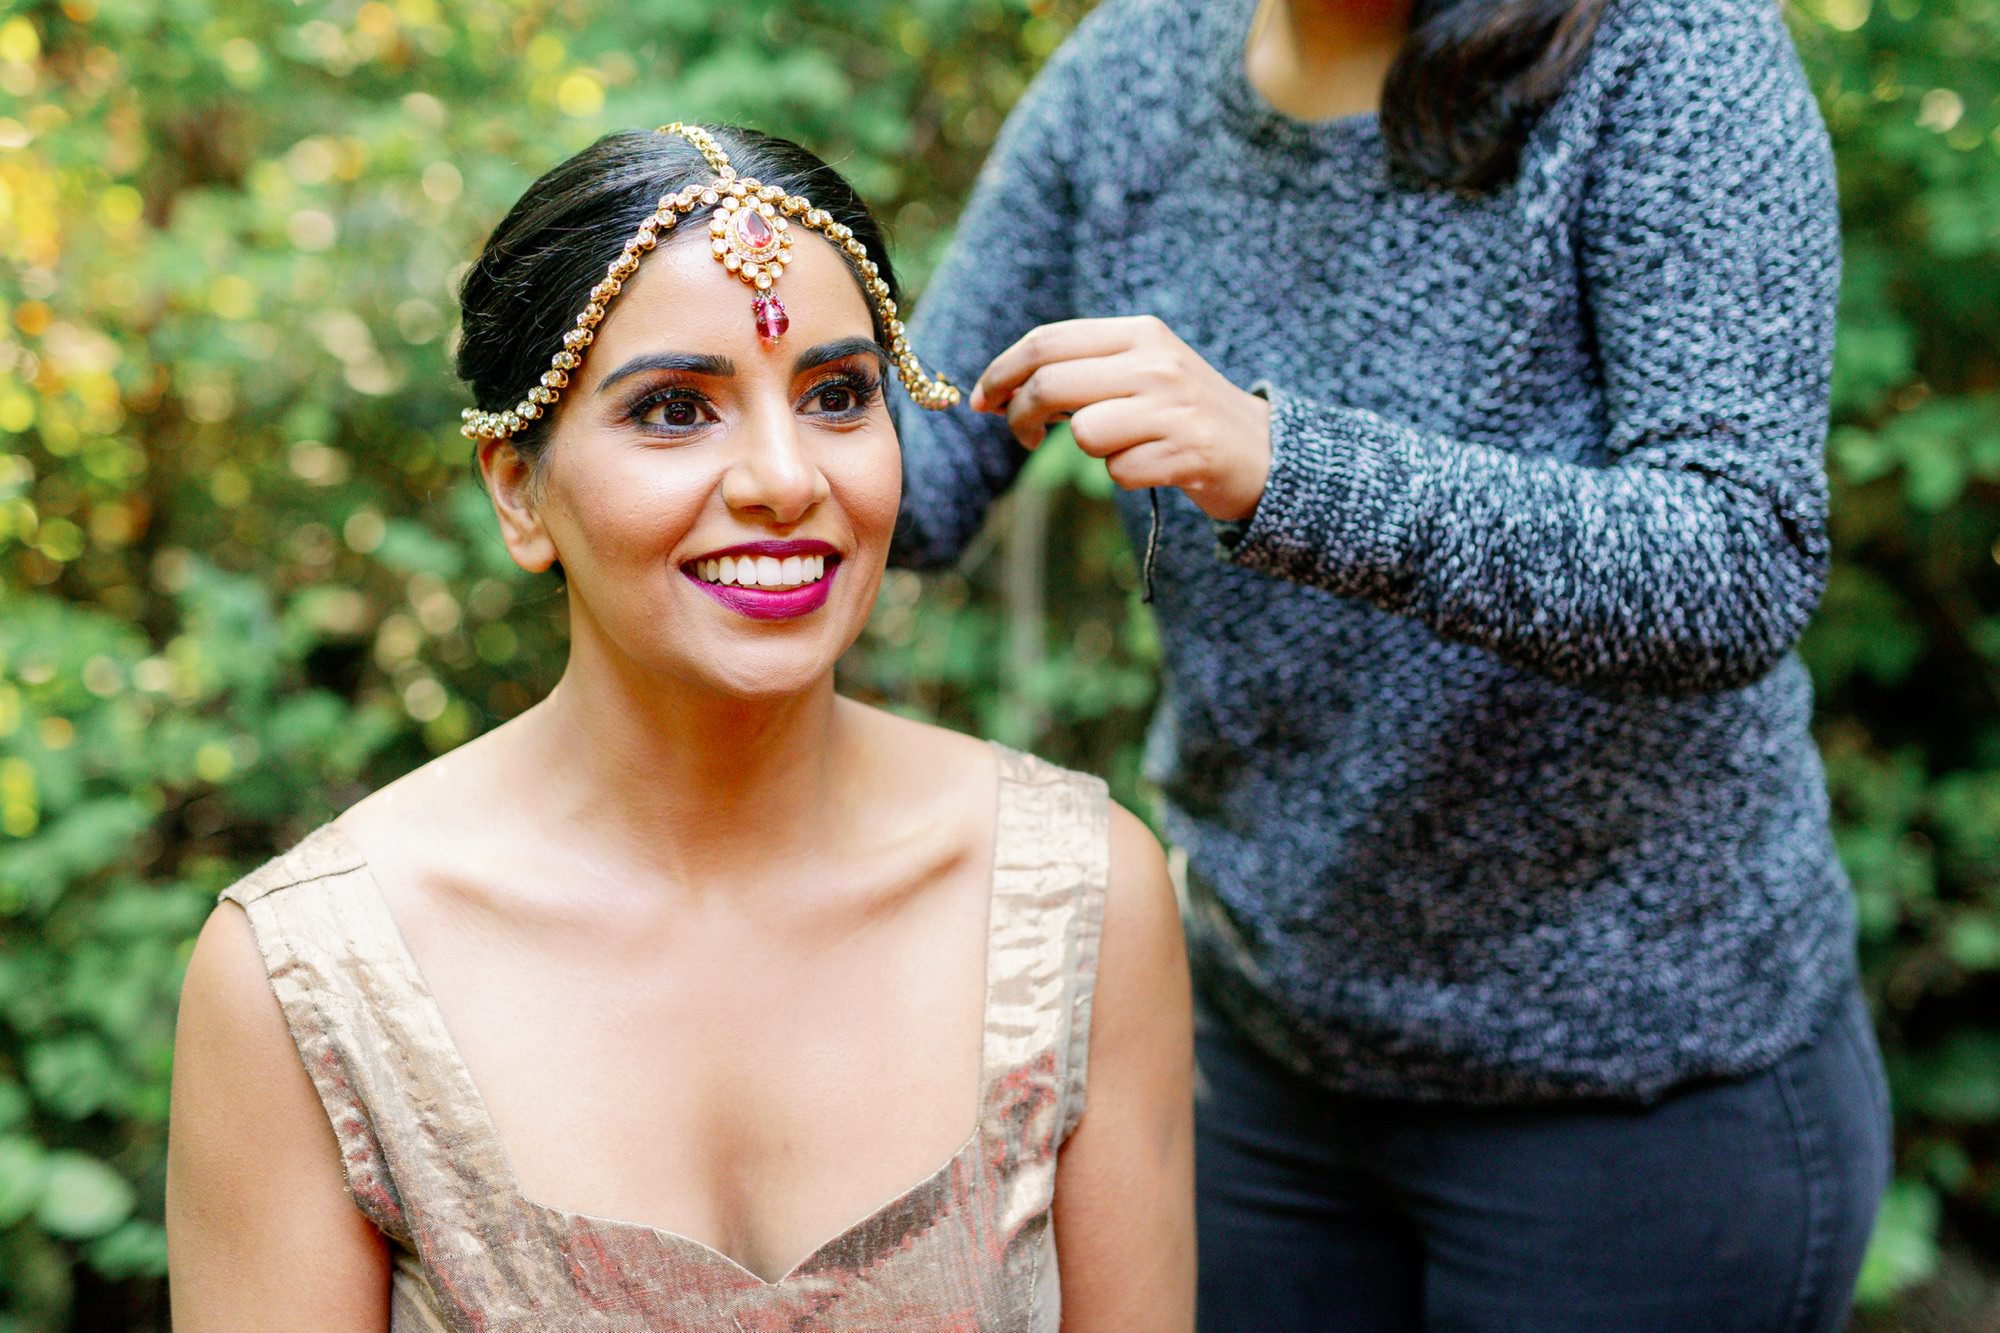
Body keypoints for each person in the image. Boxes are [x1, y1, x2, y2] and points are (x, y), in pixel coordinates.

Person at [890, 0, 1889, 1328]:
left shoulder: (1672, 47)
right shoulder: (1134, 67)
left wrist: (1280, 467)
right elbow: (921, 465)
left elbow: (1733, 558)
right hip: (1266, 1060)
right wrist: (678, 410)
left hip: (1638, 1104)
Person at [165, 124, 1194, 1331]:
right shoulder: (310, 980)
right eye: (671, 409)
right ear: (518, 488)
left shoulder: (1080, 896)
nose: (782, 477)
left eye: (837, 395)